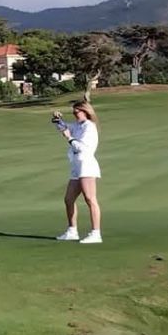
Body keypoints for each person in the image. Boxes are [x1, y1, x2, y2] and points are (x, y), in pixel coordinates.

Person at [54, 101, 102, 244]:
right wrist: (57, 119)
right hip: (76, 166)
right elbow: (64, 127)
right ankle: (72, 231)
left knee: (90, 199)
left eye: (77, 112)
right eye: (73, 112)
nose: (75, 115)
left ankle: (96, 233)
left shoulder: (89, 127)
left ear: (85, 111)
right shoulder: (78, 125)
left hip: (86, 165)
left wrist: (69, 138)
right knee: (69, 199)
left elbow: (82, 147)